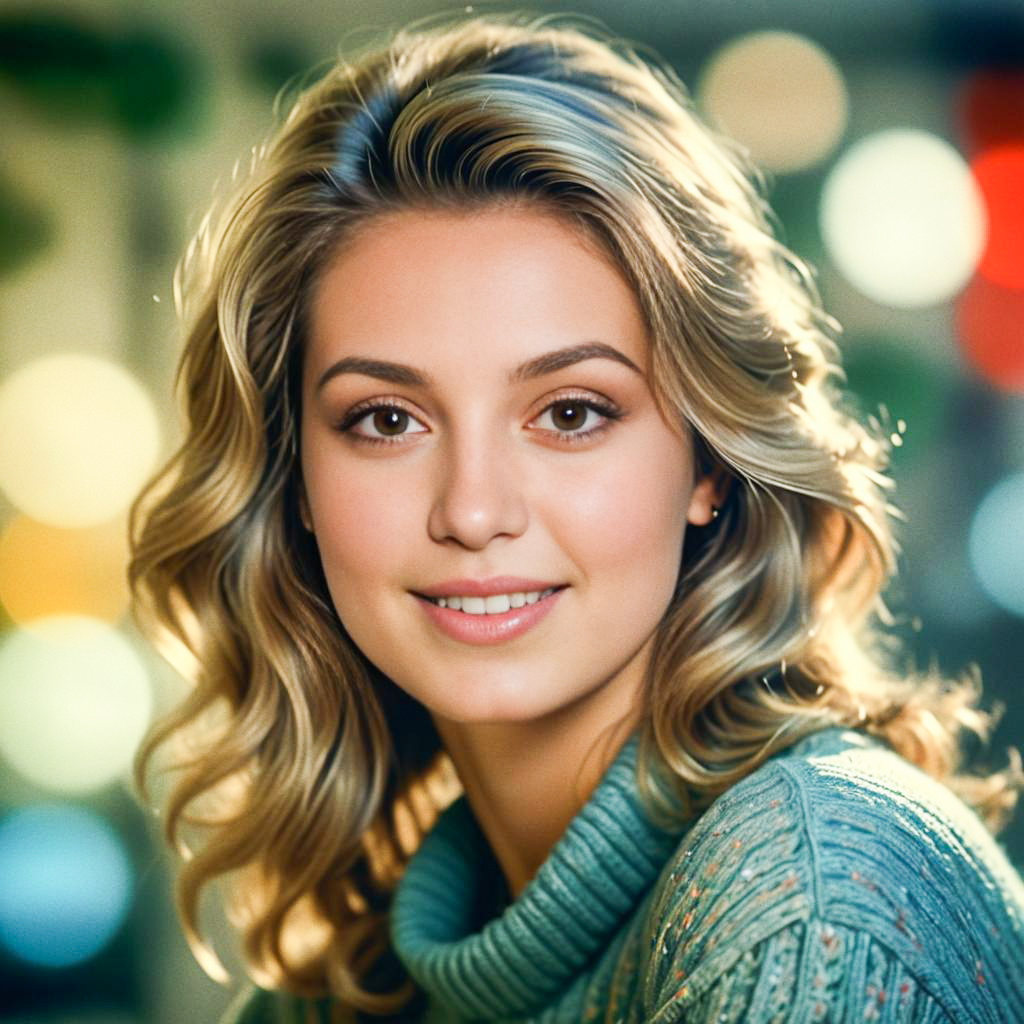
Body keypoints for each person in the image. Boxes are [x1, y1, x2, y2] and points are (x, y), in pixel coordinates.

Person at [129, 12, 1024, 1023]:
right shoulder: (356, 984)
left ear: (709, 462)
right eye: (386, 419)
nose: (472, 510)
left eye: (569, 413)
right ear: (293, 478)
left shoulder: (812, 898)